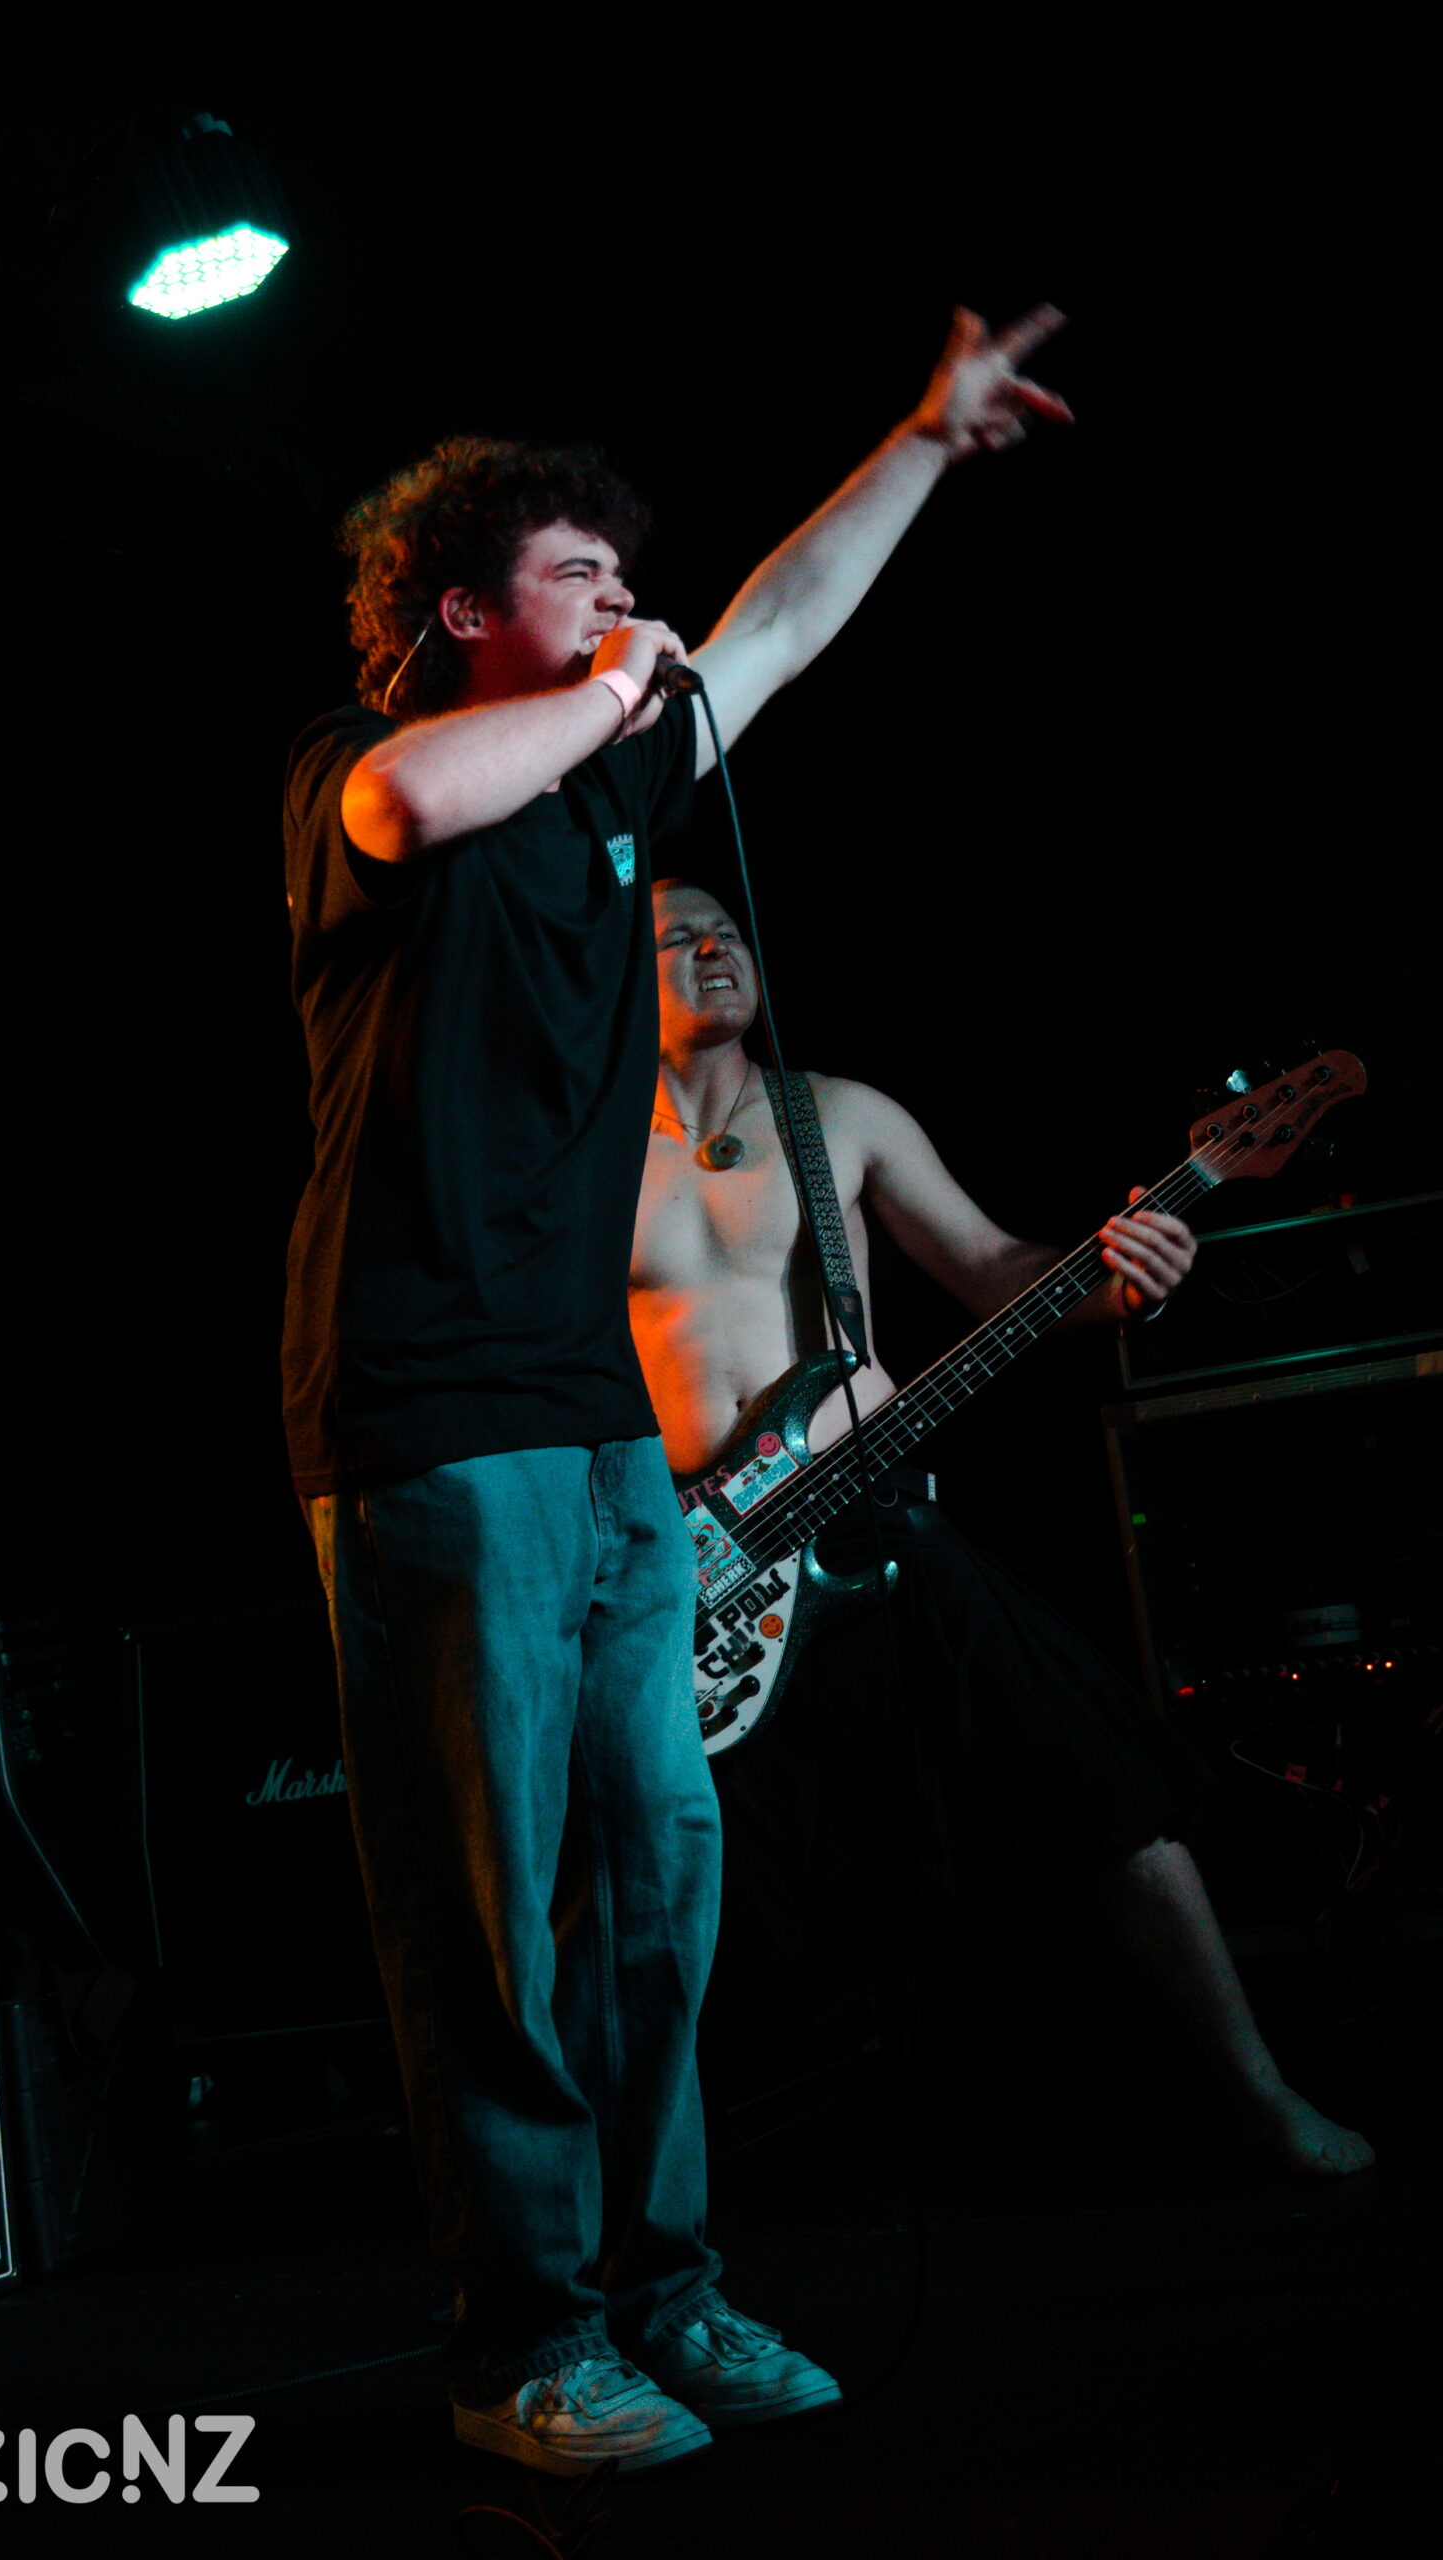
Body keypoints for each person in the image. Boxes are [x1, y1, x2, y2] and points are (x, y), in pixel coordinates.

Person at [282, 307, 1078, 2476]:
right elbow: (410, 789)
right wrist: (629, 687)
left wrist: (924, 439)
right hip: (426, 1411)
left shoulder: (618, 770)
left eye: (630, 585)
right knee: (488, 1897)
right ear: (464, 611)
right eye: (579, 578)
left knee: (654, 1864)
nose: (629, 610)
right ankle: (520, 2342)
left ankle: (669, 2287)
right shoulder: (368, 773)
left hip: (599, 1424)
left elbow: (781, 626)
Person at [629, 878, 1377, 2180]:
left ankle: (1262, 2098)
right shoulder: (579, 1157)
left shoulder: (838, 1115)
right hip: (686, 1567)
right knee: (662, 1879)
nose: (716, 948)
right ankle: (657, 2196)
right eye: (678, 938)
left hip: (869, 1518)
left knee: (1098, 1776)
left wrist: (1122, 1282)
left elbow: (992, 1269)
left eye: (728, 928)